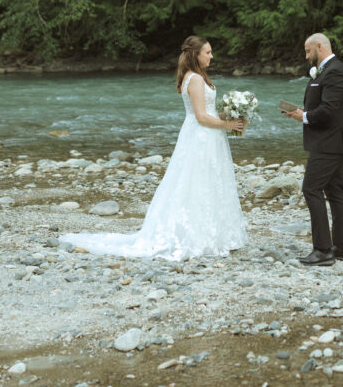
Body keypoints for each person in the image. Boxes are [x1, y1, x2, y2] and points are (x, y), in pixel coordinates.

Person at [61, 36, 247, 260]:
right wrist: (227, 125)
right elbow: (200, 117)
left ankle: (213, 234)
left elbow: (209, 112)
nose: (211, 56)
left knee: (205, 182)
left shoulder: (196, 76)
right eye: (207, 52)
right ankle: (198, 237)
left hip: (206, 135)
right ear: (195, 55)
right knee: (198, 183)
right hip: (201, 136)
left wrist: (233, 115)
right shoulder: (196, 79)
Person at [282, 33, 343, 266]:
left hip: (329, 142)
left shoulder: (335, 71)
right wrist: (305, 111)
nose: (305, 56)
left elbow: (330, 111)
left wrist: (304, 116)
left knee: (311, 189)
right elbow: (323, 105)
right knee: (335, 193)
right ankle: (341, 247)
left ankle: (323, 250)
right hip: (329, 141)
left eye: (307, 50)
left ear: (319, 47)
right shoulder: (328, 70)